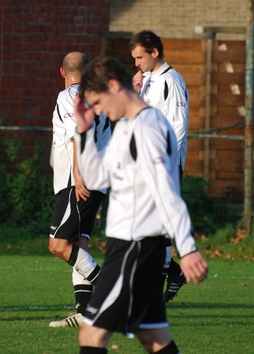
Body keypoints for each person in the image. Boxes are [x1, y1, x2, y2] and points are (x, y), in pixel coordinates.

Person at [73, 56, 208, 353]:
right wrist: (83, 133)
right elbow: (96, 177)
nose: (97, 110)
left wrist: (187, 249)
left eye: (98, 102)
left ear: (113, 86)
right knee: (155, 339)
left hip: (135, 247)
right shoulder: (125, 126)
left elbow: (167, 192)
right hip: (133, 246)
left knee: (91, 336)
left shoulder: (147, 128)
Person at [49, 52, 111, 328]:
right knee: (78, 245)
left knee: (58, 245)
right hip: (100, 179)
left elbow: (79, 133)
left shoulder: (69, 96)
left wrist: (78, 174)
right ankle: (85, 312)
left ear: (62, 73)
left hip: (80, 181)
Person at [129, 30, 189, 303]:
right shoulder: (149, 81)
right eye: (134, 58)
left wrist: (166, 164)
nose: (136, 63)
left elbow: (178, 125)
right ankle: (174, 274)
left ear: (154, 53)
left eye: (140, 57)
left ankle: (157, 283)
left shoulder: (171, 80)